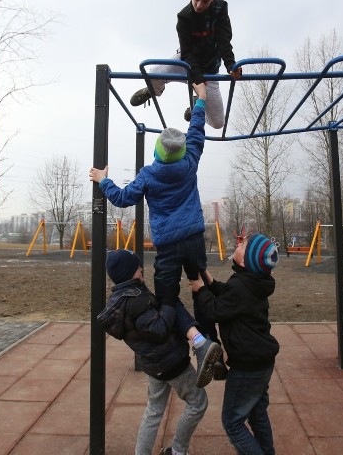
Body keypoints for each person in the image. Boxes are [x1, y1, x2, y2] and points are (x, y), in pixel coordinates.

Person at [90, 81, 222, 387]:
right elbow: (197, 130)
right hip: (194, 238)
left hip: (170, 246)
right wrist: (201, 99)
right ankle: (213, 343)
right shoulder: (190, 161)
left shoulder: (149, 174)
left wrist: (103, 181)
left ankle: (200, 345)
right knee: (200, 286)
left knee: (166, 299)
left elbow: (123, 198)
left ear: (157, 152)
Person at [97, 250, 209, 455]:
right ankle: (178, 449)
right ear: (130, 272)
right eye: (137, 266)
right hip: (171, 362)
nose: (141, 268)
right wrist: (167, 303)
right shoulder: (136, 300)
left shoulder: (119, 299)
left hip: (152, 364)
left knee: (154, 411)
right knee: (198, 403)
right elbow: (159, 330)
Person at [189, 232, 280, 455]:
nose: (238, 244)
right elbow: (229, 296)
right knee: (257, 413)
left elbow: (214, 311)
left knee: (232, 422)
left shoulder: (241, 286)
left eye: (243, 245)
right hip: (262, 362)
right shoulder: (254, 282)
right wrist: (209, 281)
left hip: (247, 367)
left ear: (245, 261)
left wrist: (200, 290)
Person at [130, 0, 242, 129]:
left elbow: (224, 40)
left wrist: (231, 65)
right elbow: (187, 52)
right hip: (185, 63)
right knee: (152, 74)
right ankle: (153, 91)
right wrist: (197, 79)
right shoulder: (184, 17)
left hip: (210, 69)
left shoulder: (220, 9)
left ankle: (198, 107)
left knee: (218, 123)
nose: (199, 5)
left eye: (205, 1)